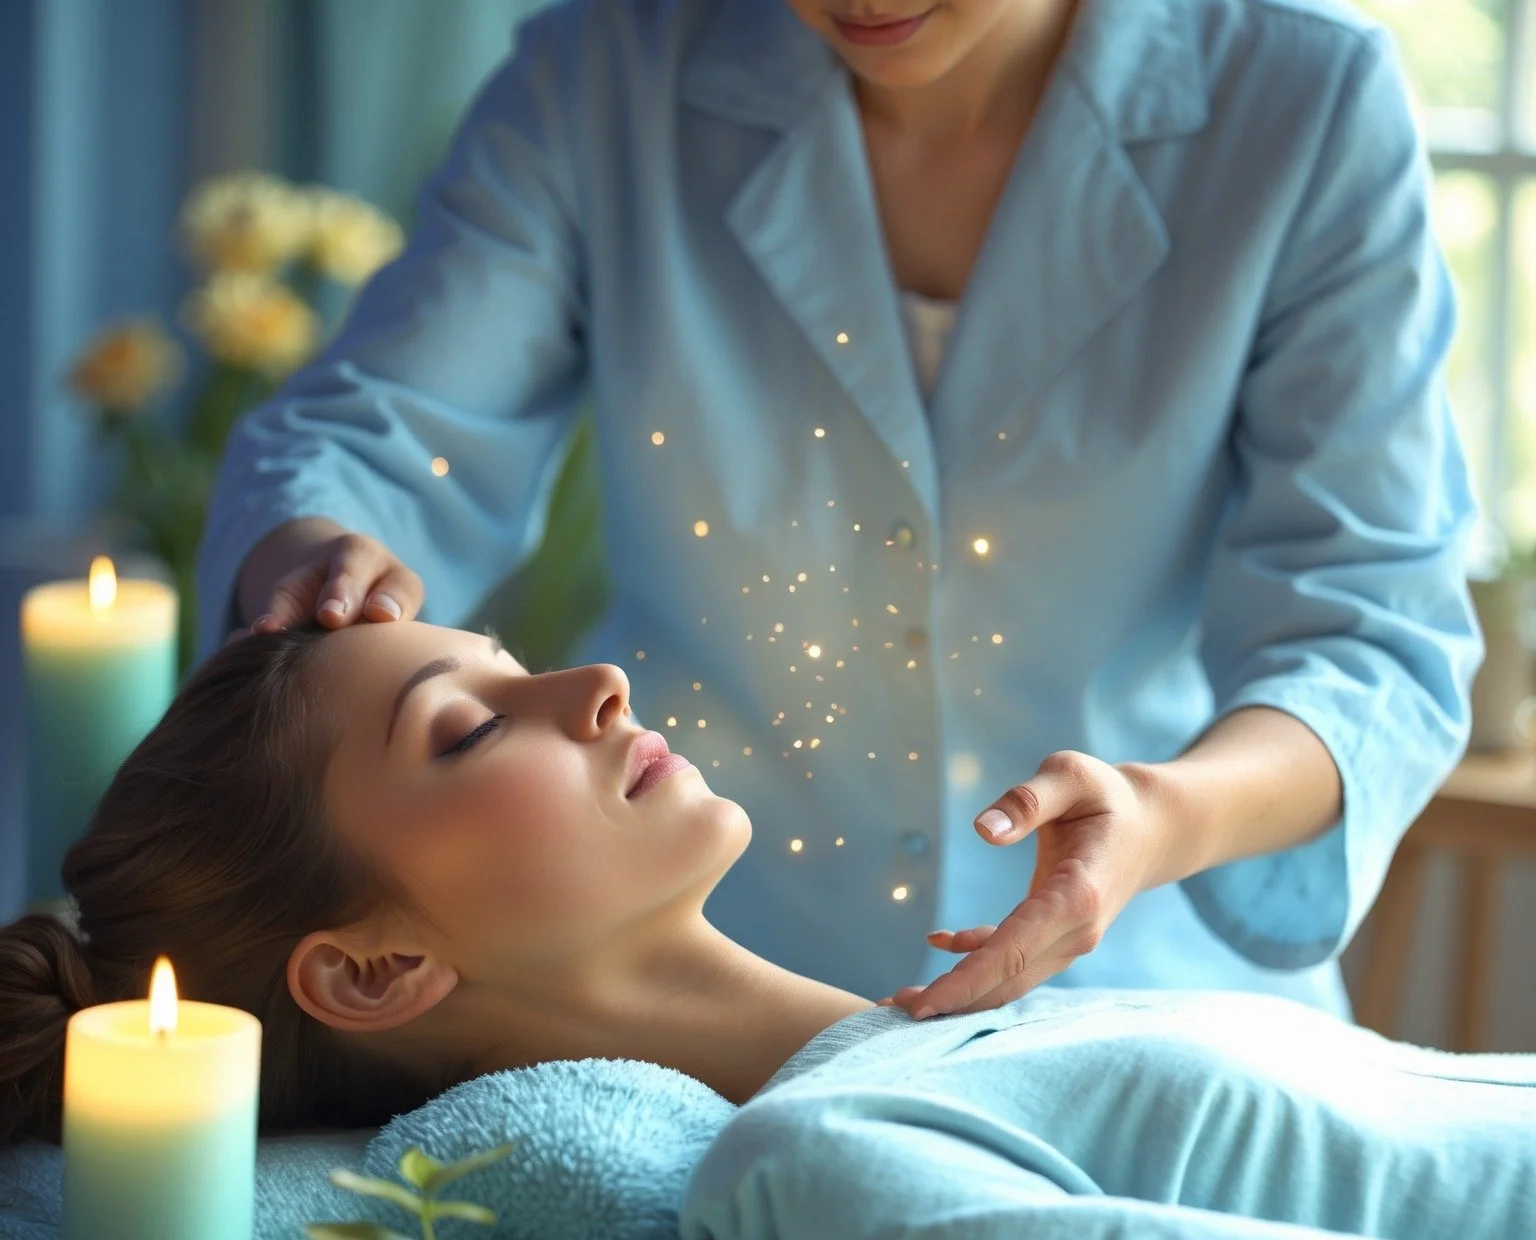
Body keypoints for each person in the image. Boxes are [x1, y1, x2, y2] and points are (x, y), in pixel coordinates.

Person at [197, 0, 1482, 1023]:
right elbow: (388, 427)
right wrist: (319, 549)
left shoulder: (1304, 99)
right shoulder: (604, 73)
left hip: (1146, 994)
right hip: (695, 1000)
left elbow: (1370, 633)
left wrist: (1167, 816)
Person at [0, 623, 1529, 1240]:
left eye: (514, 665)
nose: (590, 681)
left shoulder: (936, 1047)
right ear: (378, 971)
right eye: (468, 730)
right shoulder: (819, 1167)